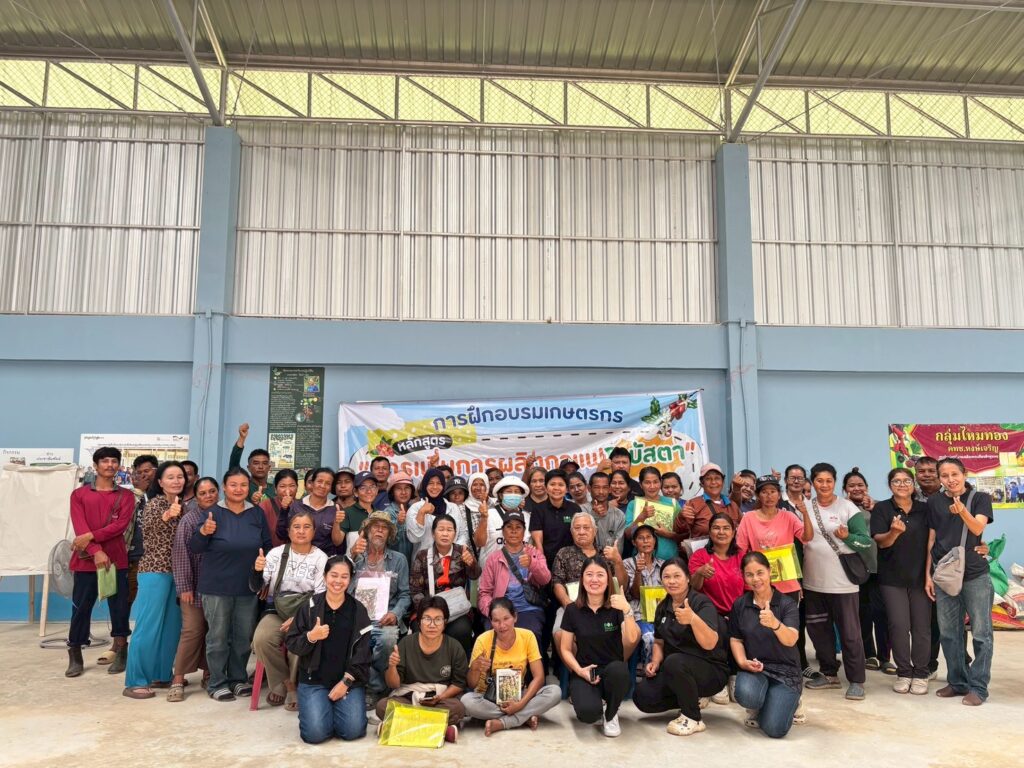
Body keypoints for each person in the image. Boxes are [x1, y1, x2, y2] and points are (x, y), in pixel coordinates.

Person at [190, 467, 272, 701]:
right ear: (224, 488)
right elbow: (195, 547)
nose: (238, 489)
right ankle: (217, 682)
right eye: (233, 485)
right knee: (217, 637)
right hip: (217, 586)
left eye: (243, 485)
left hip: (248, 586)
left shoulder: (256, 513)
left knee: (242, 637)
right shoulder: (212, 513)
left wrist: (264, 576)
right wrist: (204, 532)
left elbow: (266, 546)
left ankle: (237, 679)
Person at [634, 557, 728, 737]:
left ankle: (692, 717)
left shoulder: (701, 603)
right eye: (667, 577)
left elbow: (710, 642)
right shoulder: (662, 607)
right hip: (677, 671)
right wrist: (655, 661)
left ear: (688, 578)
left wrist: (693, 619)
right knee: (643, 696)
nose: (672, 581)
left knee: (674, 661)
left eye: (677, 576)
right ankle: (691, 698)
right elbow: (659, 641)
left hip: (710, 670)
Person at [801, 462, 872, 701]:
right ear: (812, 483)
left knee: (850, 633)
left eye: (828, 481)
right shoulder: (805, 507)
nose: (824, 485)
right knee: (819, 631)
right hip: (813, 582)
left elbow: (865, 542)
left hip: (843, 584)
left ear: (834, 482)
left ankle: (856, 680)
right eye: (819, 481)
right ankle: (829, 674)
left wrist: (848, 536)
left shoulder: (847, 507)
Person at [926, 458, 994, 706]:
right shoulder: (934, 502)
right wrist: (928, 575)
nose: (950, 479)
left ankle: (979, 687)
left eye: (954, 474)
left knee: (981, 634)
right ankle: (957, 682)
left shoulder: (980, 498)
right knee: (949, 633)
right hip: (945, 575)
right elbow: (932, 539)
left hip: (975, 575)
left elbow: (977, 529)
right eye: (944, 475)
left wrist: (962, 510)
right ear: (939, 478)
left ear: (964, 474)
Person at [287, 556, 372, 743]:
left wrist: (346, 682)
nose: (338, 581)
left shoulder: (358, 610)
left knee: (352, 731)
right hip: (314, 681)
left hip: (347, 681)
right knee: (315, 734)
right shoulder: (309, 607)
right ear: (325, 576)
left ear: (350, 579)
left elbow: (364, 653)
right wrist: (311, 636)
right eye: (334, 575)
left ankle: (332, 709)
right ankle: (319, 708)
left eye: (344, 576)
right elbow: (292, 643)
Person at [66, 447, 134, 678]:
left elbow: (119, 527)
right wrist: (95, 551)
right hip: (86, 562)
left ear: (119, 466)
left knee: (119, 607)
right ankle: (75, 652)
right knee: (81, 608)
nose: (110, 465)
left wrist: (90, 537)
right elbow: (80, 527)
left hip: (116, 561)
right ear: (95, 466)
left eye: (114, 461)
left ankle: (121, 649)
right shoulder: (79, 495)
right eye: (104, 461)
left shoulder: (126, 496)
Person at [736, 474, 814, 675]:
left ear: (779, 494)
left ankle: (793, 668)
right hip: (758, 584)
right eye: (764, 491)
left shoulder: (788, 516)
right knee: (759, 628)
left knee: (789, 628)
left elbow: (807, 537)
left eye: (773, 491)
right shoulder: (748, 518)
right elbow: (741, 550)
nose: (769, 495)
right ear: (758, 495)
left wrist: (805, 514)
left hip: (787, 584)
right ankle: (761, 668)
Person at [123, 461, 187, 699]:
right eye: (170, 477)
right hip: (154, 572)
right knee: (148, 626)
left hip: (177, 574)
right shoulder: (155, 504)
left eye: (180, 476)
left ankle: (161, 674)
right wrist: (168, 515)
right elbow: (151, 525)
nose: (176, 481)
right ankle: (135, 681)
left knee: (171, 627)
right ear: (160, 482)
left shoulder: (183, 505)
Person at [252, 511, 329, 710]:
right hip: (277, 609)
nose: (301, 531)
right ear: (288, 531)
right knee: (261, 639)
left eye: (306, 527)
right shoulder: (276, 554)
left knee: (300, 642)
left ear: (314, 531)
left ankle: (293, 685)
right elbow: (257, 586)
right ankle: (285, 683)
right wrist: (257, 571)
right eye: (296, 527)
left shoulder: (321, 558)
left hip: (307, 612)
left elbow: (321, 596)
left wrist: (298, 618)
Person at [559, 556, 639, 737]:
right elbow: (565, 649)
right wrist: (579, 671)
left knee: (619, 671)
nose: (594, 580)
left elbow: (632, 638)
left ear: (608, 580)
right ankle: (598, 705)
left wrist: (627, 610)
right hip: (586, 670)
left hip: (612, 670)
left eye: (600, 575)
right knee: (588, 714)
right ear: (582, 579)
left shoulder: (617, 607)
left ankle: (611, 713)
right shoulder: (572, 610)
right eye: (589, 575)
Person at [462, 598, 563, 736]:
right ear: (490, 621)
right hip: (488, 697)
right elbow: (472, 684)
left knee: (555, 692)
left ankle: (503, 722)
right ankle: (524, 717)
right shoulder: (483, 640)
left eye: (506, 619)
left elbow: (539, 677)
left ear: (515, 617)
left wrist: (520, 704)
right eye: (496, 621)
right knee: (467, 701)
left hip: (518, 696)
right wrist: (475, 668)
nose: (502, 625)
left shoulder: (527, 636)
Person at [730, 552, 803, 739]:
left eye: (760, 573)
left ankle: (789, 702)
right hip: (756, 668)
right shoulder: (740, 604)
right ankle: (763, 701)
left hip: (786, 671)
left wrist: (775, 624)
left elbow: (791, 639)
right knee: (747, 695)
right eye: (749, 575)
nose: (755, 579)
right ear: (743, 576)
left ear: (769, 571)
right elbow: (736, 639)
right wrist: (743, 662)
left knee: (774, 729)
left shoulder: (787, 604)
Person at [871, 468, 931, 695]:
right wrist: (894, 533)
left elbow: (935, 539)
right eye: (897, 481)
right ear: (890, 485)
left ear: (913, 484)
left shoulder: (925, 509)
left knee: (921, 627)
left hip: (921, 578)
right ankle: (904, 672)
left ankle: (921, 673)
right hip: (892, 578)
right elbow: (881, 542)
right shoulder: (882, 509)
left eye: (907, 481)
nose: (902, 484)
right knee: (898, 626)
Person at [380, 596, 468, 743]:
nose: (432, 625)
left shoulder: (454, 646)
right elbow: (393, 684)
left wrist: (441, 697)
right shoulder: (406, 643)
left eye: (438, 619)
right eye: (427, 619)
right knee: (383, 706)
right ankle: (439, 729)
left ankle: (401, 726)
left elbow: (459, 684)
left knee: (458, 708)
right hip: (409, 696)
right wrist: (392, 666)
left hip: (439, 698)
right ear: (419, 621)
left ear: (445, 622)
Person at [347, 511, 411, 710]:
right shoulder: (355, 557)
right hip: (357, 617)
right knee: (346, 638)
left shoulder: (399, 560)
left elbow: (405, 594)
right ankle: (373, 685)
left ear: (389, 534)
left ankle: (374, 688)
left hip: (385, 618)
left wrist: (395, 614)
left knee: (387, 639)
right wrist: (352, 557)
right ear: (366, 531)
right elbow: (343, 589)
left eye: (384, 528)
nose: (380, 531)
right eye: (375, 527)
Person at [168, 476, 219, 701]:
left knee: (213, 631)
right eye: (203, 493)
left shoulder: (224, 515)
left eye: (212, 491)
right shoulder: (189, 520)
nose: (208, 496)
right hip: (194, 587)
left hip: (218, 587)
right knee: (192, 630)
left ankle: (209, 674)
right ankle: (178, 679)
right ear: (196, 496)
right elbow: (180, 554)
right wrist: (185, 587)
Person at [410, 515, 480, 658]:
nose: (445, 533)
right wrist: (428, 611)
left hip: (457, 608)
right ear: (433, 533)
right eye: (441, 529)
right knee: (421, 629)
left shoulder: (462, 551)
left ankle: (459, 667)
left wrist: (471, 563)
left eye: (449, 530)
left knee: (461, 630)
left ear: (455, 533)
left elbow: (475, 575)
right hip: (428, 607)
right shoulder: (423, 556)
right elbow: (415, 590)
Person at [844, 467, 892, 674]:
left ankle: (885, 657)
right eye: (851, 485)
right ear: (845, 489)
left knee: (883, 614)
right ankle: (869, 654)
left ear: (867, 487)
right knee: (862, 614)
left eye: (860, 485)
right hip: (856, 568)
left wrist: (874, 509)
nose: (856, 488)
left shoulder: (880, 506)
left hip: (880, 568)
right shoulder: (842, 509)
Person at [478, 511, 550, 642]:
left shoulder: (534, 553)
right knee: (493, 639)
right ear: (503, 531)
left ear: (524, 531)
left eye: (518, 527)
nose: (513, 531)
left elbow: (545, 579)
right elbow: (485, 592)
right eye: (509, 527)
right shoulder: (494, 558)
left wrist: (532, 564)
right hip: (501, 609)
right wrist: (492, 611)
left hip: (528, 609)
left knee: (530, 635)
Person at [552, 513, 627, 636]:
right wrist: (569, 606)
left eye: (586, 527)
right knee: (560, 634)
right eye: (577, 528)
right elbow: (557, 583)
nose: (581, 532)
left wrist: (618, 561)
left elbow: (621, 586)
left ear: (595, 531)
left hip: (606, 608)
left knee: (627, 632)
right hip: (572, 606)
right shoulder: (563, 553)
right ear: (571, 532)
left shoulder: (607, 553)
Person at [624, 525, 664, 675]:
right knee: (650, 638)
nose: (646, 541)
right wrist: (638, 572)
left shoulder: (663, 564)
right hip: (639, 615)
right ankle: (648, 673)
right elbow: (635, 594)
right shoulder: (627, 563)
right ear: (634, 543)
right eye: (641, 538)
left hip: (660, 615)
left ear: (655, 540)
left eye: (649, 537)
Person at [276, 467, 344, 556]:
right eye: (319, 481)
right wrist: (284, 510)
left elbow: (338, 543)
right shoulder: (296, 506)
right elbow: (281, 534)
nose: (322, 486)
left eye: (328, 483)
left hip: (325, 559)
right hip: (297, 557)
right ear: (312, 483)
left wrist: (336, 523)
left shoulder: (336, 510)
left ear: (331, 487)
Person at [124, 454, 158, 617]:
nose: (144, 475)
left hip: (153, 559)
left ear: (156, 471)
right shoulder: (130, 495)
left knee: (152, 603)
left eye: (147, 471)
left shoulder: (162, 495)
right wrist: (139, 491)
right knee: (125, 600)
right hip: (132, 557)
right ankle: (121, 633)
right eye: (140, 472)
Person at [623, 466, 680, 562]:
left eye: (655, 482)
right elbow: (628, 535)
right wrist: (640, 518)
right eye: (647, 482)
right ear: (641, 485)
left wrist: (668, 534)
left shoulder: (673, 503)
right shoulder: (634, 504)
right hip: (642, 561)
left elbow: (684, 534)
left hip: (670, 559)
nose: (652, 486)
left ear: (660, 483)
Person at [529, 469, 582, 569]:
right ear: (546, 487)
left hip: (572, 563)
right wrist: (543, 566)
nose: (556, 488)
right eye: (552, 484)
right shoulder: (538, 510)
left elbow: (579, 536)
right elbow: (538, 542)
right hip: (547, 563)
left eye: (561, 485)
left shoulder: (575, 508)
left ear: (566, 489)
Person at [407, 468, 467, 555]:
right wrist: (422, 513)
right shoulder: (415, 508)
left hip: (451, 559)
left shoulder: (453, 507)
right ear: (425, 485)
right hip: (424, 560)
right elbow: (414, 538)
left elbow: (462, 533)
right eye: (431, 483)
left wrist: (453, 553)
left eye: (439, 483)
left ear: (443, 485)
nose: (435, 487)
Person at [676, 463, 741, 542]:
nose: (713, 482)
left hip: (730, 549)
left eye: (717, 478)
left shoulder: (733, 505)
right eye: (708, 479)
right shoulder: (693, 504)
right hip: (702, 549)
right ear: (702, 483)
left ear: (723, 482)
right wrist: (681, 517)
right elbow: (680, 532)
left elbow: (742, 529)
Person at [228, 422, 276, 503]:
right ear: (248, 467)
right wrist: (242, 438)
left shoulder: (275, 489)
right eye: (256, 463)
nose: (260, 467)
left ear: (269, 467)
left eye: (264, 463)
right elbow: (234, 464)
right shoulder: (244, 486)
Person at [381, 471, 416, 564]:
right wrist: (398, 523)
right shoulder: (387, 513)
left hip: (414, 563)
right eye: (398, 488)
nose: (403, 492)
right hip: (394, 564)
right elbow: (388, 541)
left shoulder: (415, 510)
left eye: (407, 488)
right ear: (392, 492)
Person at [588, 472, 626, 551]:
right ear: (589, 488)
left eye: (605, 487)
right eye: (596, 487)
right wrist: (594, 515)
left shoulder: (619, 515)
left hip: (611, 557)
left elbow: (618, 547)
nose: (601, 491)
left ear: (610, 489)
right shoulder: (581, 510)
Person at [261, 468, 297, 548]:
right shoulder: (265, 506)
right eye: (282, 486)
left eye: (292, 486)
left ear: (297, 487)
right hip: (272, 553)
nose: (288, 490)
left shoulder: (301, 506)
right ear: (275, 489)